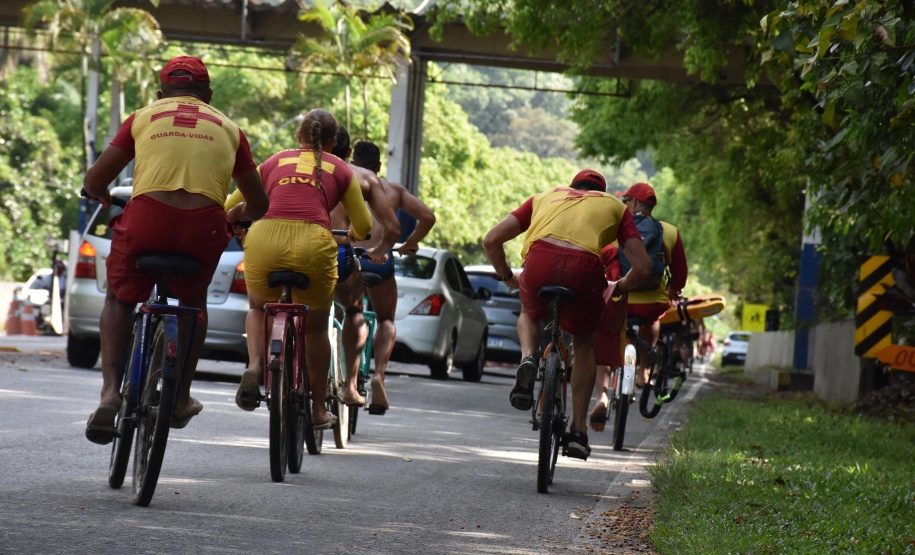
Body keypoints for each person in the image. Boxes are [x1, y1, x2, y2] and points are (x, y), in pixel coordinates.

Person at [83, 56, 269, 445]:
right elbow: (261, 205)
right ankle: (180, 397)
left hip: (146, 220)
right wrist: (240, 216)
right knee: (193, 304)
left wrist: (98, 193)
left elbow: (95, 179)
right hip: (203, 227)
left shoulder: (143, 116)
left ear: (160, 93)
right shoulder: (231, 129)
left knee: (119, 299)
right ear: (209, 95)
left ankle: (110, 393)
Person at [483, 170, 650, 460]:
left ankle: (527, 358)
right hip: (584, 270)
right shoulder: (615, 206)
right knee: (584, 343)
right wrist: (621, 286)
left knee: (530, 312)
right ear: (601, 191)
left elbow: (491, 240)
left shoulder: (543, 198)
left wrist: (507, 275)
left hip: (538, 263)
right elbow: (643, 267)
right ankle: (578, 431)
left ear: (572, 187)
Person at [230, 110, 372, 430]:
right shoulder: (342, 169)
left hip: (264, 239)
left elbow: (229, 205)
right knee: (316, 329)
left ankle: (255, 365)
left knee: (257, 306)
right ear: (334, 142)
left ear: (298, 137)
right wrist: (355, 237)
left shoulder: (274, 161)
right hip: (314, 245)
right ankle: (319, 408)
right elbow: (363, 226)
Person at [349, 140, 436, 414]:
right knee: (385, 318)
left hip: (345, 257)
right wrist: (410, 243)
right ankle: (379, 376)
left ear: (351, 159)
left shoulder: (339, 179)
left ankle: (345, 376)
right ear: (377, 166)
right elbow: (428, 217)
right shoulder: (394, 189)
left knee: (348, 314)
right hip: (380, 261)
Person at [327, 128, 403, 408]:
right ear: (347, 154)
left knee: (308, 312)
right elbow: (422, 218)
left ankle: (269, 366)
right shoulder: (371, 181)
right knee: (365, 313)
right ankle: (361, 380)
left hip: (291, 249)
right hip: (354, 255)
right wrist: (381, 251)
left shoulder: (289, 166)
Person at [614, 182, 688, 389]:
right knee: (652, 320)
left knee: (607, 327)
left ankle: (605, 384)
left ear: (634, 202)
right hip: (652, 303)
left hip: (619, 300)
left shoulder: (615, 228)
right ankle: (644, 370)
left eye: (625, 200)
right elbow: (680, 273)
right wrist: (675, 290)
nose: (624, 204)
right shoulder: (670, 232)